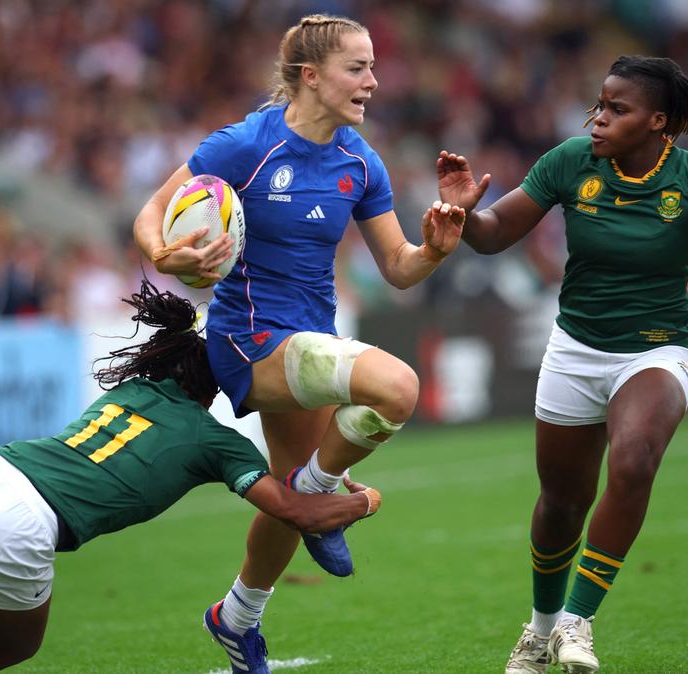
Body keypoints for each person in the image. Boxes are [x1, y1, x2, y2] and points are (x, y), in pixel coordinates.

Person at [0, 279, 380, 674]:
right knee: (10, 648)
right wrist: (362, 501)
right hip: (15, 522)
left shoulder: (135, 387)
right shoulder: (215, 441)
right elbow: (294, 510)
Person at [131, 14, 464, 674]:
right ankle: (322, 490)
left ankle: (236, 618)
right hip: (249, 341)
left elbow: (399, 269)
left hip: (311, 341)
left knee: (291, 506)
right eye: (357, 68)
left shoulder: (360, 162)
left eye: (373, 68)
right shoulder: (244, 145)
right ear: (310, 76)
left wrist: (434, 249)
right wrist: (166, 256)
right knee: (398, 388)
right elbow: (150, 213)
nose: (373, 81)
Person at [437, 55, 688, 674]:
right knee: (561, 504)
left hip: (657, 350)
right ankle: (541, 630)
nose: (598, 119)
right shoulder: (570, 161)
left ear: (657, 122)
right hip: (575, 348)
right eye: (598, 105)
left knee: (634, 460)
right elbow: (494, 235)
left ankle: (577, 622)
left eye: (617, 109)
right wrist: (465, 214)